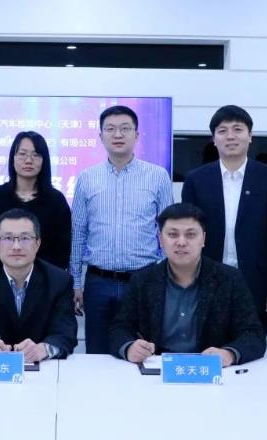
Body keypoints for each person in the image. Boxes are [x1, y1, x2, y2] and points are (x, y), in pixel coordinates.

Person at [71, 105, 174, 354]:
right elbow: (78, 233)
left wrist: (164, 277)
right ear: (101, 136)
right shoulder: (87, 178)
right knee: (97, 353)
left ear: (136, 135)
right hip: (98, 282)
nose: (118, 134)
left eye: (125, 128)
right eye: (111, 129)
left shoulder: (158, 176)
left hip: (143, 279)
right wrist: (76, 282)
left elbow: (167, 231)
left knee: (143, 352)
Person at [109, 203, 266, 366]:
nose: (181, 242)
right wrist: (129, 347)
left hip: (210, 370)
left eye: (190, 235)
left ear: (203, 239)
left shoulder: (230, 279)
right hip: (158, 368)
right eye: (173, 234)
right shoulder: (142, 280)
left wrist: (229, 354)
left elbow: (253, 334)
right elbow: (119, 328)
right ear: (161, 239)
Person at [181, 105, 267, 333]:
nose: (230, 136)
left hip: (255, 283)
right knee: (207, 347)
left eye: (237, 129)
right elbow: (187, 235)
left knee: (250, 346)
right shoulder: (196, 179)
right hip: (206, 280)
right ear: (214, 139)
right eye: (222, 131)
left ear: (250, 136)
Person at [0, 209, 77, 361]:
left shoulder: (59, 281)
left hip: (43, 368)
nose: (16, 246)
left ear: (38, 243)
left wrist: (44, 349)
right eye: (8, 238)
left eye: (25, 238)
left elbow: (66, 334)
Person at [0, 131, 71, 269]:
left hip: (45, 279)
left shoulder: (56, 201)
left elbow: (62, 251)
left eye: (36, 155)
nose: (28, 160)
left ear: (44, 160)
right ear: (13, 158)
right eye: (22, 154)